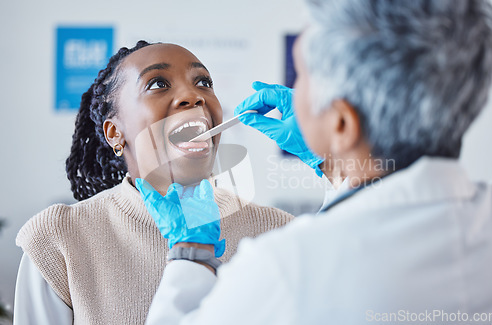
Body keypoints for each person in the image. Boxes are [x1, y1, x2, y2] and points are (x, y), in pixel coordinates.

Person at [140, 0, 492, 324]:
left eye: (303, 77)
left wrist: (190, 257)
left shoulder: (288, 269)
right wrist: (338, 165)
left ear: (342, 122)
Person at [13, 41, 294, 325]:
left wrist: (333, 162)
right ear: (114, 133)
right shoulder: (57, 240)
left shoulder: (279, 233)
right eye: (158, 83)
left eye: (204, 82)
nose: (193, 96)